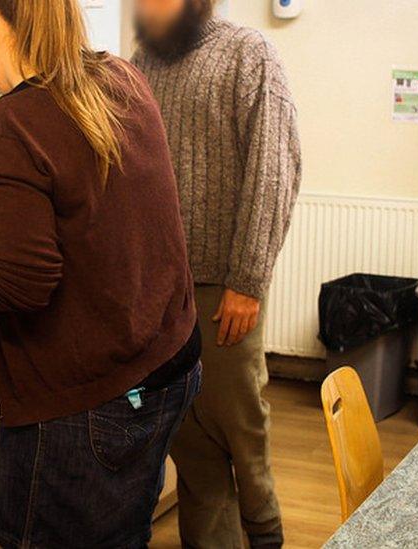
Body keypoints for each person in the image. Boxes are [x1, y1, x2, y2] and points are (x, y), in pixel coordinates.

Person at [0, 1, 201, 546]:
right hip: (167, 365)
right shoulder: (119, 77)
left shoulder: (8, 125)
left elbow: (20, 281)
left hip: (86, 401)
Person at [132, 1, 301, 548]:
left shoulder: (249, 54)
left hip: (225, 289)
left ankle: (267, 536)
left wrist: (248, 281)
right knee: (190, 444)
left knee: (241, 434)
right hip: (160, 295)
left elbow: (274, 169)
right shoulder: (140, 65)